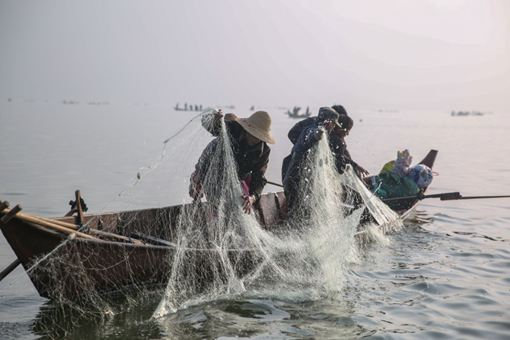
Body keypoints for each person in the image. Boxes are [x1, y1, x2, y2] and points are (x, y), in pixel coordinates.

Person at [189, 110, 275, 214]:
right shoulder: (233, 128)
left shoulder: (264, 152)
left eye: (259, 136)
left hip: (236, 175)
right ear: (247, 128)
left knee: (228, 203)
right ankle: (196, 179)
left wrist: (252, 197)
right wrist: (215, 119)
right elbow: (210, 126)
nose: (255, 138)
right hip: (211, 162)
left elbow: (259, 178)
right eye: (253, 133)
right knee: (196, 190)